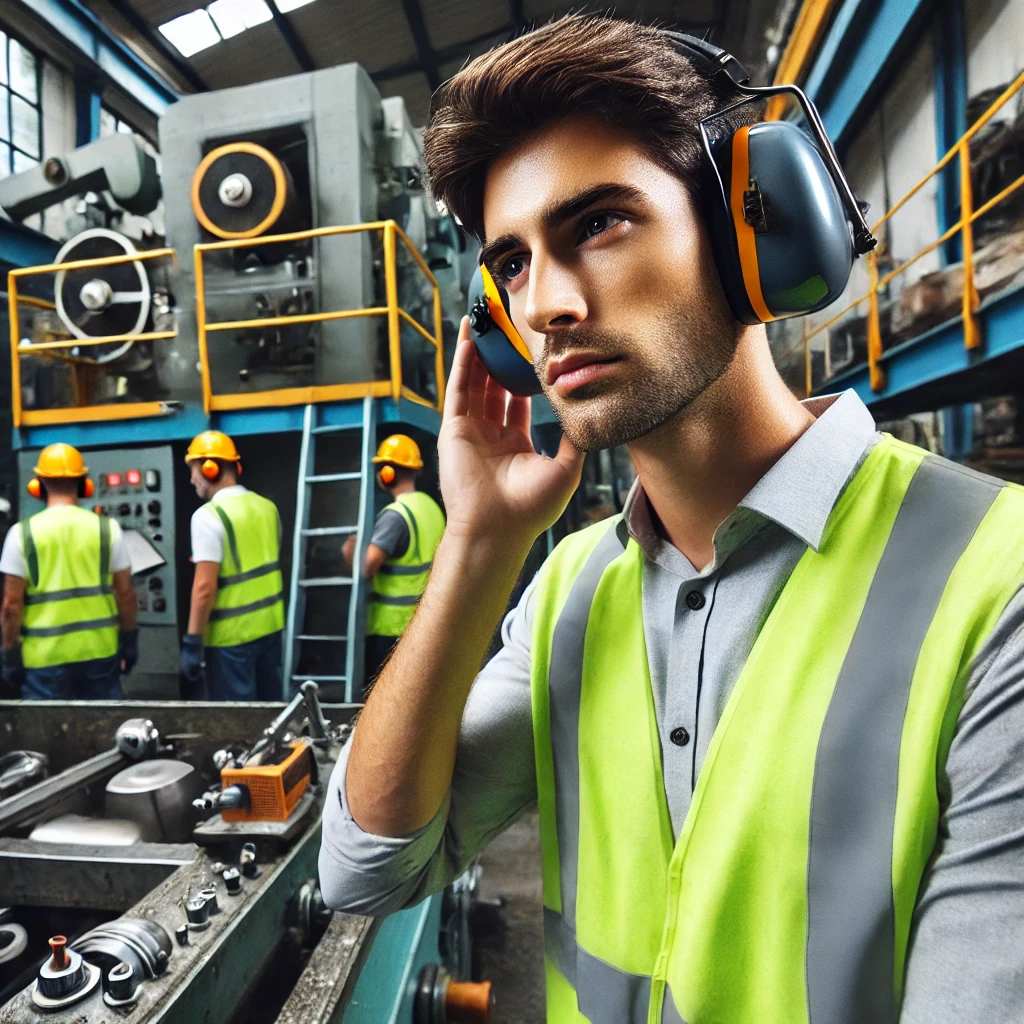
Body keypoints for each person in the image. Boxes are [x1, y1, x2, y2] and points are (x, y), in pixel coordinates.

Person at [318, 16, 1024, 1024]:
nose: (548, 302)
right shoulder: (569, 591)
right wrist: (478, 544)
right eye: (511, 265)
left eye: (598, 222)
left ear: (758, 230)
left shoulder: (998, 583)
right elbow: (365, 870)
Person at [0, 443, 138, 700]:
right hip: (100, 653)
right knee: (102, 733)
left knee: (50, 736)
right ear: (84, 484)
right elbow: (125, 595)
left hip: (44, 660)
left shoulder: (22, 535)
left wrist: (9, 653)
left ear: (38, 485)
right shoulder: (108, 530)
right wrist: (130, 639)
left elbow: (11, 605)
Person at [180, 430, 284, 701]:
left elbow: (204, 587)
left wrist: (192, 641)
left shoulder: (206, 517)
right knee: (272, 717)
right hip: (271, 629)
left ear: (210, 469)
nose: (192, 479)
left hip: (231, 640)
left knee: (237, 726)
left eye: (194, 470)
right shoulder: (267, 507)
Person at [342, 434, 445, 691]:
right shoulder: (430, 507)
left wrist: (350, 548)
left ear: (388, 473)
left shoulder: (396, 517)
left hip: (392, 627)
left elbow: (366, 567)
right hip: (423, 621)